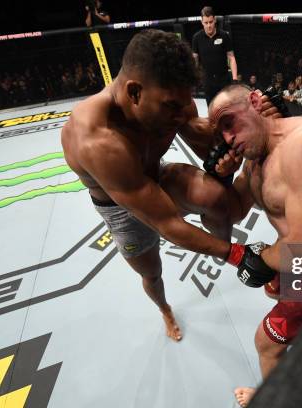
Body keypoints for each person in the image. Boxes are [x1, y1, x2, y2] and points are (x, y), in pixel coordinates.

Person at [61, 30, 280, 343]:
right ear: (134, 92)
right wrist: (238, 255)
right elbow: (167, 223)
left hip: (156, 177)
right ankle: (164, 308)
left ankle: (221, 246)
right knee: (151, 273)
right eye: (171, 107)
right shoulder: (97, 139)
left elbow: (207, 143)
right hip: (120, 206)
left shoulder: (171, 101)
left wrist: (254, 123)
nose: (182, 113)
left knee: (215, 196)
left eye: (185, 103)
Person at [207, 84, 302, 407]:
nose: (227, 138)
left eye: (229, 122)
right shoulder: (253, 164)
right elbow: (230, 214)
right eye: (221, 134)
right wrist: (222, 180)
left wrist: (262, 257)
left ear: (255, 101)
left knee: (266, 344)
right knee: (275, 289)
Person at [192, 6, 238, 105]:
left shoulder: (224, 35)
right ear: (202, 22)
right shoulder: (196, 38)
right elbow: (194, 60)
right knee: (211, 109)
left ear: (215, 20)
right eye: (206, 23)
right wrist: (193, 78)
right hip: (208, 81)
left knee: (226, 108)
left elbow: (231, 57)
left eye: (211, 22)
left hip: (224, 80)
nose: (209, 25)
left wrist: (234, 79)